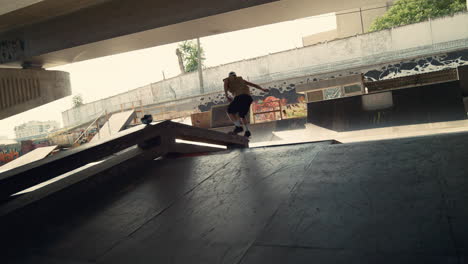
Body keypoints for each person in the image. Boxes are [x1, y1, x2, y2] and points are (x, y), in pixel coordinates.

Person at [224, 71, 269, 137]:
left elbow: (225, 84)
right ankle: (247, 131)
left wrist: (226, 96)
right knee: (242, 115)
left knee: (229, 111)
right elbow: (254, 85)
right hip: (248, 98)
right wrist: (262, 89)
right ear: (235, 75)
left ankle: (238, 127)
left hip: (240, 97)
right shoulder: (241, 80)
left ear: (230, 76)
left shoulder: (228, 80)